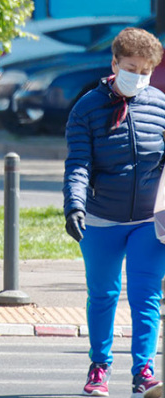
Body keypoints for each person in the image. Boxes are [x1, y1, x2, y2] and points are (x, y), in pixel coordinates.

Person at [63, 27, 165, 398]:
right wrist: (74, 205)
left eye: (145, 70)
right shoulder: (87, 108)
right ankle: (99, 367)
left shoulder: (160, 105)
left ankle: (144, 371)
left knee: (146, 295)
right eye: (130, 67)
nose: (137, 76)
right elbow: (77, 164)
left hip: (148, 222)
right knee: (104, 294)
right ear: (114, 63)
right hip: (102, 218)